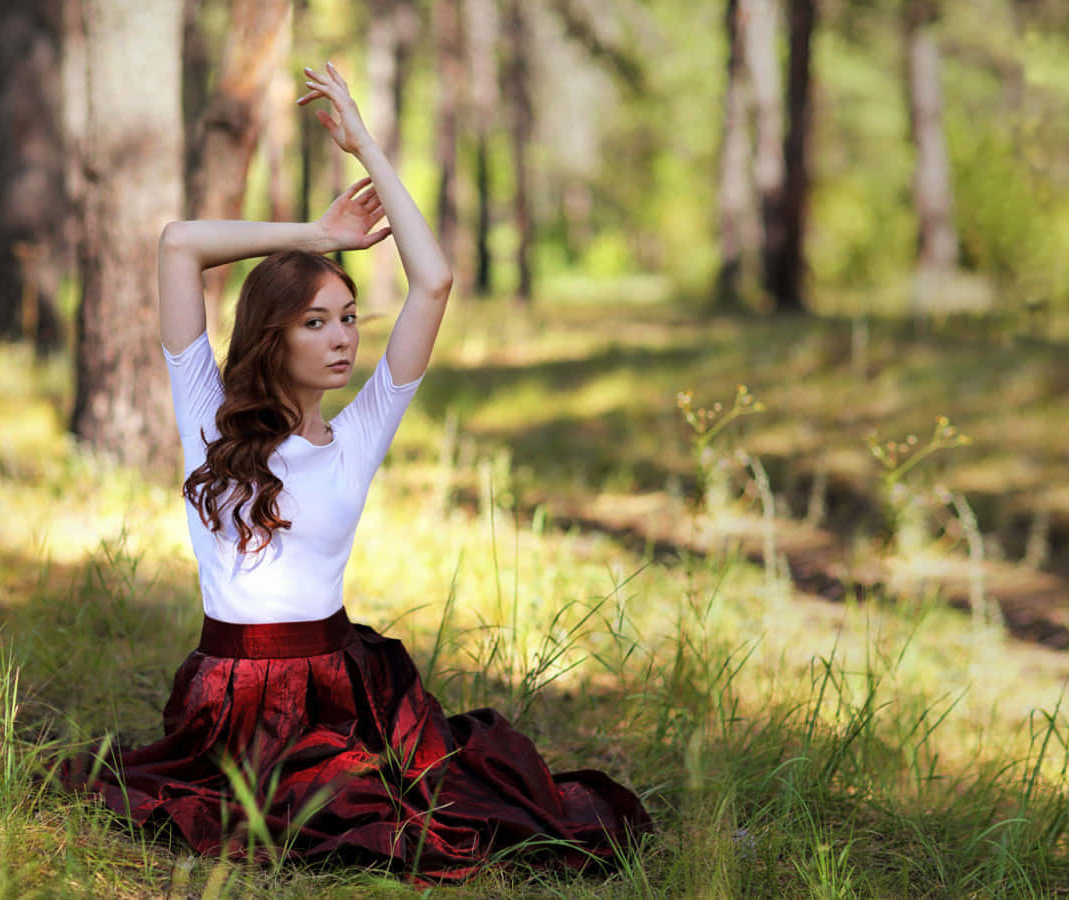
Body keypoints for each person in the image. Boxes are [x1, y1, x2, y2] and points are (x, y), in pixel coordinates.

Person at [54, 62, 651, 882]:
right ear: (274, 335)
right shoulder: (206, 414)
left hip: (339, 692)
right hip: (228, 700)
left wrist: (366, 144)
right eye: (316, 322)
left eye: (348, 320)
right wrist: (315, 237)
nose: (342, 339)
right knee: (277, 819)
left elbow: (434, 282)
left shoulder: (360, 430)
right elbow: (178, 244)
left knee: (391, 818)